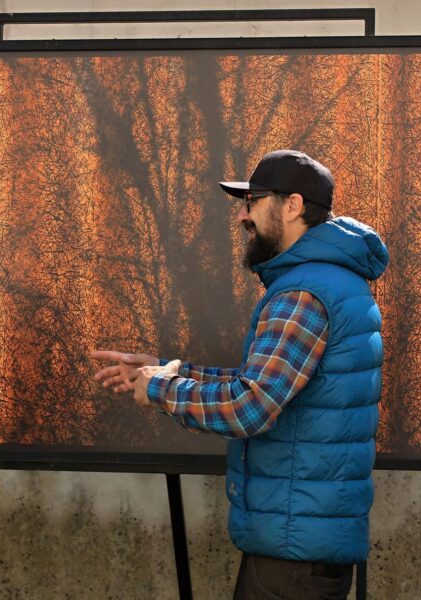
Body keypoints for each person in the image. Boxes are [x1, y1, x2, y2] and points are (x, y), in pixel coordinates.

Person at [92, 150, 389, 599]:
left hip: (292, 558)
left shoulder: (304, 293)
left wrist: (161, 389)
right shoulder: (332, 282)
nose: (243, 216)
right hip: (302, 545)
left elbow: (250, 408)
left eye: (253, 201)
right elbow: (270, 383)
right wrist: (170, 369)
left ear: (292, 205)